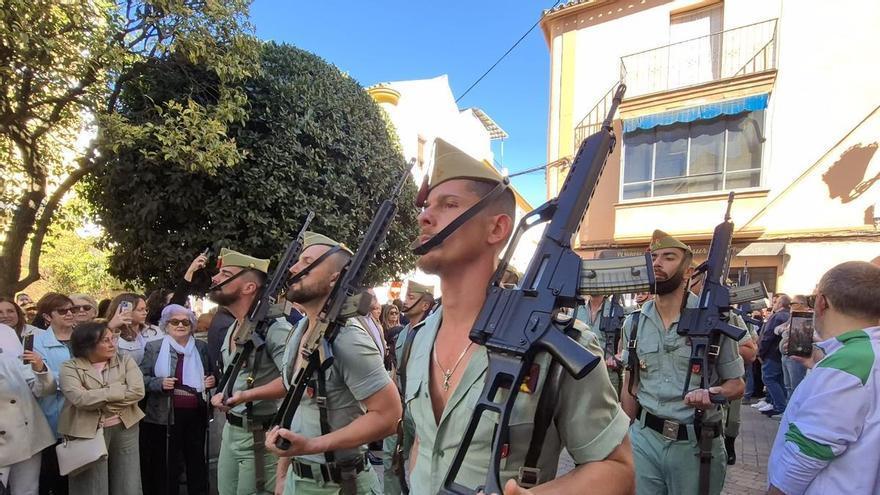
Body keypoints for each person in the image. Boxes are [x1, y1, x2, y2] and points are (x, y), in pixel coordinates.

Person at [400, 139, 633, 494]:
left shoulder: (556, 343)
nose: (425, 216)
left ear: (497, 229)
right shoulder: (415, 339)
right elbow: (422, 444)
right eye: (427, 206)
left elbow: (618, 470)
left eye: (449, 205)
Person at [263, 232, 400, 495]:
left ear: (334, 277)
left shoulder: (348, 338)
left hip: (341, 485)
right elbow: (297, 404)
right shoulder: (300, 330)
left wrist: (311, 445)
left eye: (307, 262)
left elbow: (389, 416)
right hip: (297, 480)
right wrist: (283, 476)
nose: (293, 268)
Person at [620, 230, 744, 495]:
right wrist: (623, 437)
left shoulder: (715, 321)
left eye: (668, 257)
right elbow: (630, 383)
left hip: (696, 446)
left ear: (688, 272)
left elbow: (737, 384)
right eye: (653, 257)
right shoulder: (633, 323)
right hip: (644, 440)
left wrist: (714, 393)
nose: (656, 263)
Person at [767, 261, 880, 494]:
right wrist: (818, 365)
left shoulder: (850, 363)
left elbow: (809, 451)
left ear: (821, 302)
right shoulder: (861, 357)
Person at [207, 248, 292, 495]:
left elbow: (293, 379)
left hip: (259, 436)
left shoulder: (275, 328)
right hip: (231, 431)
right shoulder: (236, 326)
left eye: (225, 274)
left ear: (248, 287)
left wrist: (246, 396)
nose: (215, 278)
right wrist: (223, 393)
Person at [58, 321, 145, 495]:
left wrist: (96, 396)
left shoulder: (124, 360)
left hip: (125, 426)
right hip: (85, 432)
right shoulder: (70, 367)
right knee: (91, 485)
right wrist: (118, 390)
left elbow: (137, 392)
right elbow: (79, 399)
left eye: (112, 339)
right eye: (105, 340)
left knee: (127, 481)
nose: (112, 344)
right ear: (88, 345)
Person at [140, 304, 214, 495]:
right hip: (165, 414)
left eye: (185, 322)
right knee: (167, 462)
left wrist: (212, 380)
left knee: (196, 460)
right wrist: (160, 383)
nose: (180, 325)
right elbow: (141, 378)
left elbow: (212, 373)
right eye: (175, 321)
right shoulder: (154, 347)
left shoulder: (201, 347)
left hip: (196, 413)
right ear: (166, 325)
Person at [383, 280, 435, 495]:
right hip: (402, 405)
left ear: (425, 305)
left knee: (424, 463)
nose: (405, 300)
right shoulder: (404, 333)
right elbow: (397, 368)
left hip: (423, 407)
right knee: (390, 458)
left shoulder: (434, 331)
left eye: (412, 298)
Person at [0, 324, 56, 495]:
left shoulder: (6, 333)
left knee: (28, 490)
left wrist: (40, 369)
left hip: (27, 433)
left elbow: (43, 389)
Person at [32, 293, 77, 495]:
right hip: (52, 418)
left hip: (85, 417)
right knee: (54, 476)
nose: (69, 314)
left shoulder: (84, 337)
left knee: (79, 478)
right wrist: (76, 381)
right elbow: (36, 379)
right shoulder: (36, 343)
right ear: (48, 317)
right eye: (62, 311)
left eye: (72, 310)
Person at [574, 295, 624, 396]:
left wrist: (619, 356)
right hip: (578, 374)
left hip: (606, 374)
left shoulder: (618, 312)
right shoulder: (576, 310)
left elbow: (628, 342)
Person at [758, 295, 791, 417]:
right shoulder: (789, 316)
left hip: (772, 354)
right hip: (780, 354)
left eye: (776, 302)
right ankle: (776, 404)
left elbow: (768, 336)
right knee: (780, 381)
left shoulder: (777, 316)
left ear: (780, 304)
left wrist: (761, 352)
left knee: (769, 379)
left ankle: (779, 406)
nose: (774, 304)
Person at [104, 293, 155, 365]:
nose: (145, 313)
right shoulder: (113, 332)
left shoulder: (154, 330)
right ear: (125, 310)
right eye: (140, 310)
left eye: (146, 309)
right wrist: (111, 326)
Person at [778, 295, 810, 396]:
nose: (790, 306)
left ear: (801, 305)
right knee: (788, 386)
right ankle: (787, 410)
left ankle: (793, 411)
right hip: (786, 356)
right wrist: (784, 330)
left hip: (797, 357)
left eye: (793, 304)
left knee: (795, 387)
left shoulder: (806, 318)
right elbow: (777, 329)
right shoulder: (792, 318)